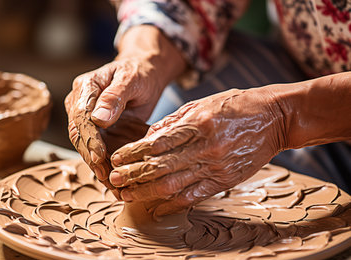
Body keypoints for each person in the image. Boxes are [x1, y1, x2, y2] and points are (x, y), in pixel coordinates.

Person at [65, 0, 351, 216]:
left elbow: (282, 116)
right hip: (307, 74)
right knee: (168, 131)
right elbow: (188, 6)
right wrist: (145, 59)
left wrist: (284, 119)